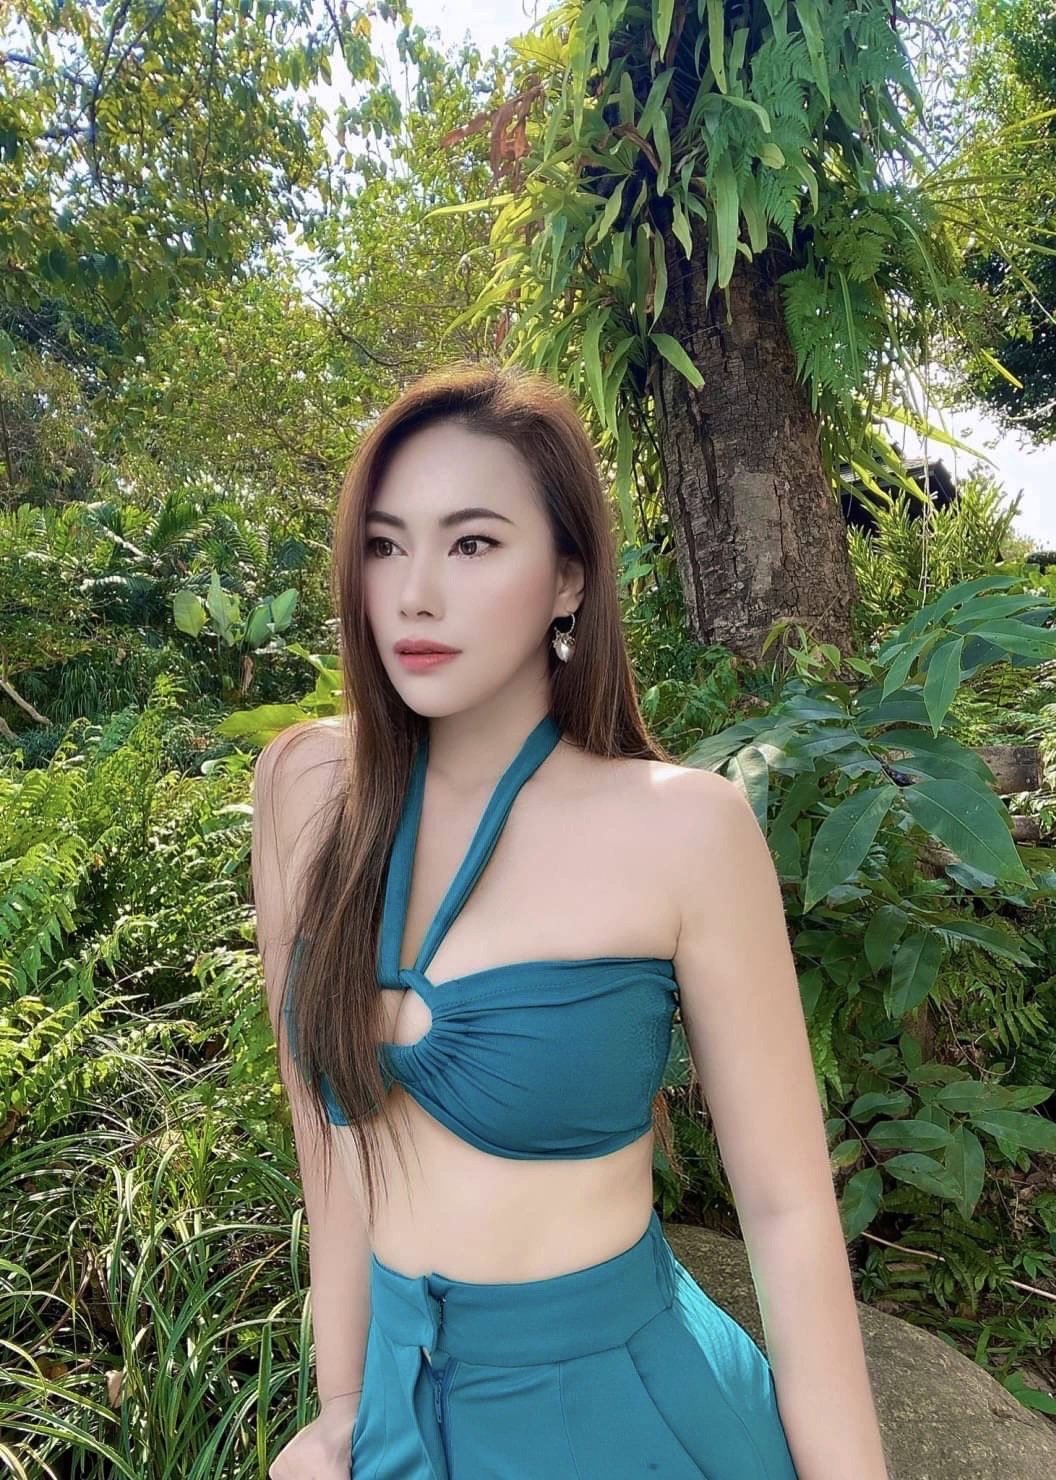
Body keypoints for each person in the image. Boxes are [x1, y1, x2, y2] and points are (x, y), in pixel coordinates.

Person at [251, 362, 889, 1479]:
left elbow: (786, 1205)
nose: (414, 595)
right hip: (404, 1404)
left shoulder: (683, 827)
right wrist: (343, 1401)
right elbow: (330, 1140)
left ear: (568, 578)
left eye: (473, 543)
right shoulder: (308, 793)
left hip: (624, 1416)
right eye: (386, 545)